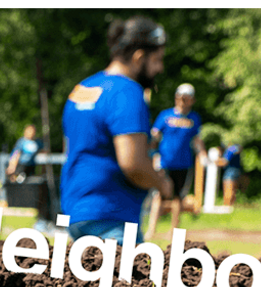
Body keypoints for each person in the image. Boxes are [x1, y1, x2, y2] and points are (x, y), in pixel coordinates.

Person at [59, 16, 173, 244]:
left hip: (75, 213)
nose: (159, 68)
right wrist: (163, 184)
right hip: (112, 217)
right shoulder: (128, 92)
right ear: (139, 56)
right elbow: (133, 165)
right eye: (157, 60)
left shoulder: (82, 89)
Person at [145, 83, 203, 239]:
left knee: (178, 197)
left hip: (183, 164)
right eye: (180, 97)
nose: (183, 101)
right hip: (165, 163)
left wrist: (202, 154)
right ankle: (151, 229)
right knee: (159, 195)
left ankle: (173, 231)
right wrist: (152, 153)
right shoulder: (165, 115)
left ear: (192, 100)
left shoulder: (194, 119)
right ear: (176, 98)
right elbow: (155, 137)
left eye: (186, 98)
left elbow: (197, 140)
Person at [217, 141, 244, 207]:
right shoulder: (237, 147)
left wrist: (214, 161)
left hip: (230, 172)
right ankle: (231, 206)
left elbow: (224, 162)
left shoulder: (230, 149)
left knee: (228, 190)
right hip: (237, 171)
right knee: (233, 191)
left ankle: (227, 206)